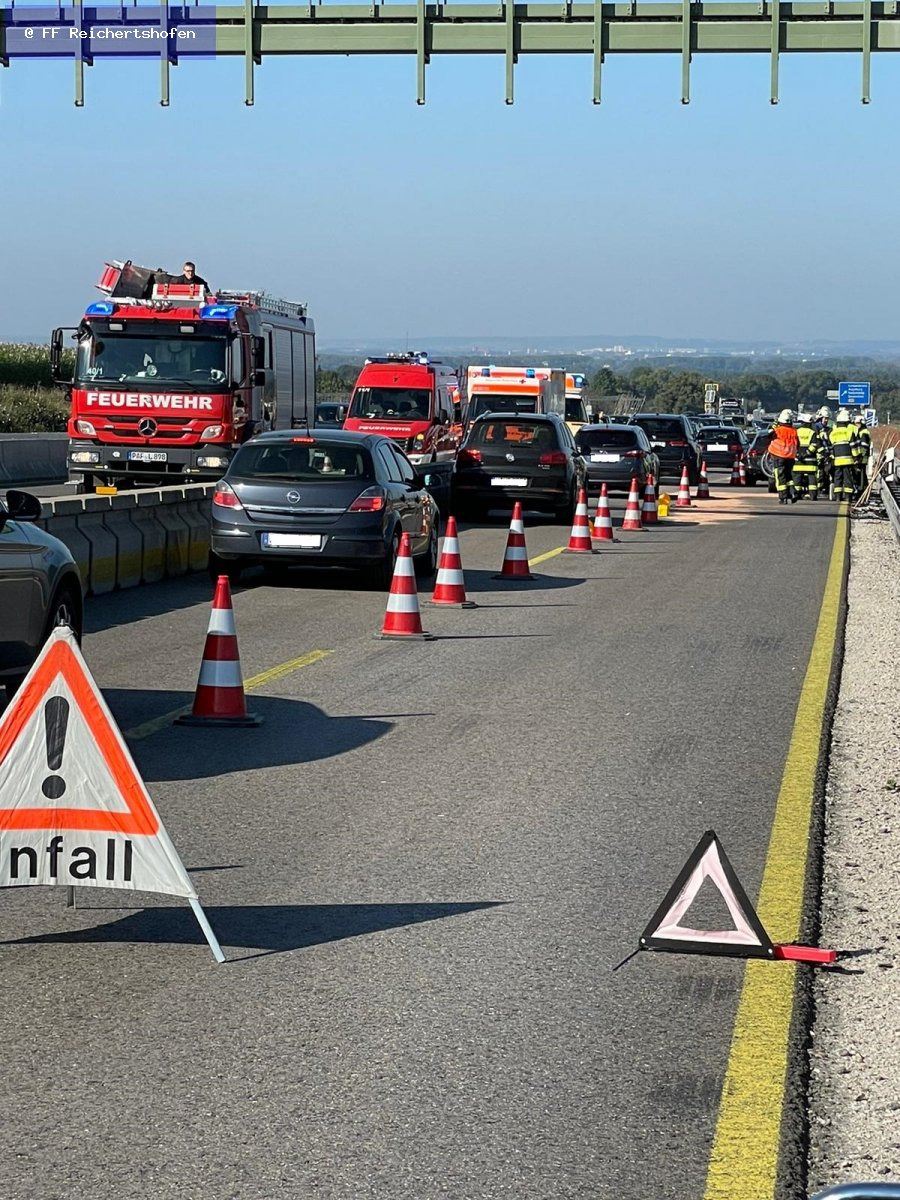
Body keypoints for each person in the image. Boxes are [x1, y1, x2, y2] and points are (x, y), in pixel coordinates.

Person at [827, 409, 860, 501]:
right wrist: (856, 456)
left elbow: (830, 446)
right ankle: (848, 497)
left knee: (837, 477)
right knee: (847, 478)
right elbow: (853, 446)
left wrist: (831, 457)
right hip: (847, 460)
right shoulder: (849, 431)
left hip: (837, 460)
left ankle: (838, 497)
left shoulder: (833, 432)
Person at [768, 409, 800, 504]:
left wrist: (773, 426)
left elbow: (768, 435)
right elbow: (798, 444)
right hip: (790, 457)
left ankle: (783, 497)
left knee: (780, 477)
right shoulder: (794, 431)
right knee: (789, 476)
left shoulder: (777, 430)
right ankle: (793, 493)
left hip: (779, 456)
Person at [793, 411, 822, 500]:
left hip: (798, 461)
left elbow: (793, 445)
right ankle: (813, 495)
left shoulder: (796, 432)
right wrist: (807, 454)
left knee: (797, 478)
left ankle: (797, 495)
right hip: (810, 461)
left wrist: (798, 454)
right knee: (812, 478)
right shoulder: (812, 433)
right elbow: (814, 445)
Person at [853, 413, 872, 494]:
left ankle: (861, 490)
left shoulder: (863, 433)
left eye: (858, 423)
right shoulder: (862, 431)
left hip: (862, 457)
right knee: (862, 474)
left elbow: (864, 447)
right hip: (862, 457)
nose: (856, 425)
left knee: (861, 474)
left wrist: (860, 458)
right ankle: (863, 488)